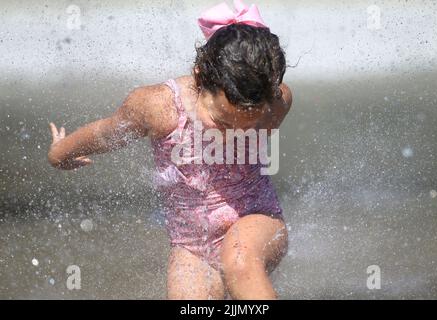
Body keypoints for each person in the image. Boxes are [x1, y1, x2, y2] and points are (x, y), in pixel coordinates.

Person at [48, 0, 292, 299]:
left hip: (256, 219)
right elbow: (107, 132)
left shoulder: (275, 103)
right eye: (223, 122)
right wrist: (60, 153)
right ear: (200, 77)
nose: (236, 134)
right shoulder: (158, 107)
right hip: (192, 243)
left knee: (239, 262)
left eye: (247, 125)